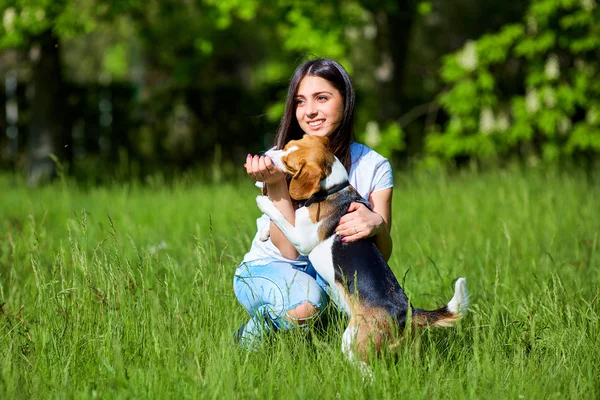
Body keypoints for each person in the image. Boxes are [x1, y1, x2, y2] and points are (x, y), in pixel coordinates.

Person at [233, 58, 394, 347]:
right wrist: (275, 182)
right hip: (271, 267)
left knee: (375, 312)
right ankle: (248, 339)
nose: (310, 111)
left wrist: (378, 225)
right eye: (300, 102)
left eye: (322, 98)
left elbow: (381, 257)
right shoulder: (281, 158)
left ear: (345, 100)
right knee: (308, 305)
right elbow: (289, 251)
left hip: (330, 275)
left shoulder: (373, 165)